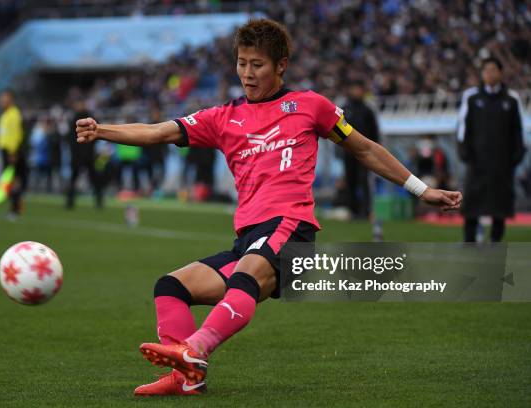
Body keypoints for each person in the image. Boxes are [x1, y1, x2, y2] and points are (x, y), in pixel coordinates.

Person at [76, 19, 462, 396]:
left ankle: (196, 351)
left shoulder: (311, 106)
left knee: (245, 277)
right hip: (248, 238)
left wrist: (420, 188)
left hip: (290, 227)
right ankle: (186, 377)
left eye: (257, 64)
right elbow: (159, 131)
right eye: (241, 63)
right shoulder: (223, 117)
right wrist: (103, 130)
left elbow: (364, 148)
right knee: (170, 286)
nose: (247, 73)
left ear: (281, 66)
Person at [457, 57, 526, 243]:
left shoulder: (511, 100)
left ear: (500, 73)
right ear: (482, 73)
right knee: (472, 203)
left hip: (502, 163)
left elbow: (518, 132)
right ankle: (469, 240)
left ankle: (496, 241)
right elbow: (463, 128)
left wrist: (515, 157)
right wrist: (466, 153)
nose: (490, 74)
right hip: (477, 162)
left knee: (500, 204)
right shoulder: (472, 98)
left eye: (493, 70)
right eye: (486, 70)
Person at [342, 79, 380, 218]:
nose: (356, 91)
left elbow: (374, 132)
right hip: (348, 152)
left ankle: (367, 211)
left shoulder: (367, 110)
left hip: (364, 153)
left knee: (364, 181)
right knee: (350, 181)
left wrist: (374, 150)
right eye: (354, 88)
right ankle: (353, 210)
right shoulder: (345, 108)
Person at [66, 100, 103, 209]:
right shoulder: (76, 119)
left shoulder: (84, 118)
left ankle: (98, 201)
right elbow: (71, 138)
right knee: (75, 179)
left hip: (87, 154)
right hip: (80, 154)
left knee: (93, 179)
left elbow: (97, 132)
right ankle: (70, 201)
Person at [0, 89, 26, 219]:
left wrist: (13, 153)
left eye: (5, 98)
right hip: (6, 151)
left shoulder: (14, 115)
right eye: (1, 98)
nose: (2, 100)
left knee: (13, 182)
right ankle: (14, 208)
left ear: (11, 99)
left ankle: (15, 210)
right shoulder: (6, 114)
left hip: (11, 152)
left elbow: (15, 135)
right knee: (9, 182)